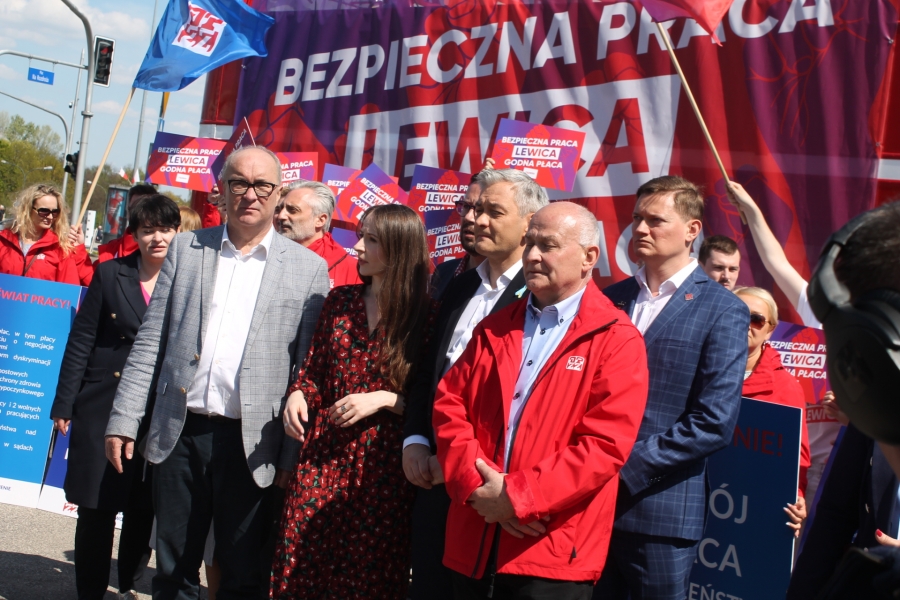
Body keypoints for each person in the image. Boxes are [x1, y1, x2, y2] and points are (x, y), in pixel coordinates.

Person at [104, 146, 330, 599]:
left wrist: (290, 456)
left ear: (278, 193)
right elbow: (151, 340)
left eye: (262, 185)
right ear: (222, 190)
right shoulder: (187, 249)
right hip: (180, 432)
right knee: (173, 571)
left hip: (254, 443)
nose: (250, 194)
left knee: (242, 576)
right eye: (239, 183)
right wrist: (124, 418)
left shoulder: (309, 269)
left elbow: (306, 371)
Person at [432, 202, 649, 599]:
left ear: (589, 257)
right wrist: (477, 487)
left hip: (550, 550)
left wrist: (517, 497)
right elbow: (450, 405)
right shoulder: (494, 327)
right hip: (474, 537)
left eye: (547, 245)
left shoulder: (616, 339)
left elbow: (604, 446)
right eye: (529, 242)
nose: (531, 255)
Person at [595, 175, 749, 600]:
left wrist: (622, 470)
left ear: (692, 230)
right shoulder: (609, 299)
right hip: (589, 505)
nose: (640, 229)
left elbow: (714, 422)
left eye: (655, 220)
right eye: (636, 219)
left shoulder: (723, 309)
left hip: (660, 512)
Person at [272, 203, 436, 599]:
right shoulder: (340, 301)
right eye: (361, 236)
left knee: (365, 577)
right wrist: (299, 394)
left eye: (371, 240)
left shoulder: (426, 315)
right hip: (322, 455)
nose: (358, 247)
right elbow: (314, 372)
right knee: (299, 563)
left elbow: (429, 402)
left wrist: (384, 399)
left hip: (382, 468)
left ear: (399, 248)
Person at [402, 168, 545, 599]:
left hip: (489, 487)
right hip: (431, 479)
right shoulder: (460, 283)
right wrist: (415, 440)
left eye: (493, 212)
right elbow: (429, 371)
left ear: (529, 224)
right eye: (476, 209)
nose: (477, 220)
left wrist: (458, 464)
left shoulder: (540, 295)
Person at [50, 195, 181, 600]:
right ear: (134, 235)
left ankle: (126, 585)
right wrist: (64, 402)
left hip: (159, 410)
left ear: (178, 232)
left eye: (165, 229)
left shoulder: (189, 280)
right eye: (147, 230)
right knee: (95, 505)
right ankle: (90, 592)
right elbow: (81, 341)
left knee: (143, 508)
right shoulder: (110, 274)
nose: (157, 238)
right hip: (102, 403)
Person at [727, 182, 846, 513]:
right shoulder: (819, 311)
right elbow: (776, 263)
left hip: (840, 462)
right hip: (796, 464)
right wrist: (752, 210)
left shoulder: (877, 332)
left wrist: (853, 417)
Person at [733, 286, 810, 536]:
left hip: (756, 507)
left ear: (770, 329)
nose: (746, 324)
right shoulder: (697, 370)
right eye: (737, 314)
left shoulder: (785, 387)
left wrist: (796, 497)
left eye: (756, 319)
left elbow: (795, 459)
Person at [274, 180, 361, 288]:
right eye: (278, 209)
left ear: (320, 220)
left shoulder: (352, 270)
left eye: (292, 210)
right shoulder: (262, 253)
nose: (281, 216)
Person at [0, 183, 86, 285]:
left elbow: (68, 290)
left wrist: (79, 249)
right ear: (28, 209)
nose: (50, 217)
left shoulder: (61, 248)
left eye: (55, 212)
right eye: (44, 211)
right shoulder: (3, 241)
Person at [430, 171, 487, 299]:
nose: (468, 217)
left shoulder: (517, 285)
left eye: (480, 210)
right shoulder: (443, 271)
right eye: (466, 206)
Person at [96, 183, 157, 265]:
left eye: (143, 208)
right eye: (133, 208)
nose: (137, 213)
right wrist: (80, 250)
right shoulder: (111, 249)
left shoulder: (162, 251)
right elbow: (93, 272)